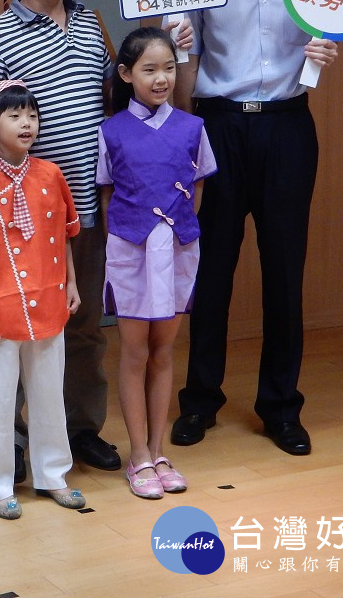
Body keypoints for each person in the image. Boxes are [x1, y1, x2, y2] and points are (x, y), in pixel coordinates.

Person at [171, 0, 338, 456]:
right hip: (218, 125)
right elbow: (186, 60)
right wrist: (179, 52)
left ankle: (281, 407)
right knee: (212, 267)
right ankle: (200, 400)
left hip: (289, 126)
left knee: (284, 268)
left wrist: (326, 48)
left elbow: (335, 24)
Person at [0, 0, 126, 474]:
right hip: (19, 218)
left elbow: (111, 103)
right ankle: (12, 441)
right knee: (14, 330)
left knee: (82, 327)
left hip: (85, 207)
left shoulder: (90, 23)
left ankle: (80, 430)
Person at [0, 80, 85, 520]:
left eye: (32, 115)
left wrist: (71, 284)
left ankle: (53, 475)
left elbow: (65, 235)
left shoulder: (50, 174)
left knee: (49, 395)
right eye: (14, 115)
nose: (27, 123)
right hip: (0, 310)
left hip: (48, 302)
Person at [97, 28, 216, 499]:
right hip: (130, 251)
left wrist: (175, 233)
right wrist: (128, 239)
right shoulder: (110, 131)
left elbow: (198, 189)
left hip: (179, 249)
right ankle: (138, 456)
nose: (162, 78)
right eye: (149, 69)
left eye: (169, 67)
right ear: (126, 74)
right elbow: (107, 195)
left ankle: (159, 452)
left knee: (164, 352)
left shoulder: (193, 128)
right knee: (134, 353)